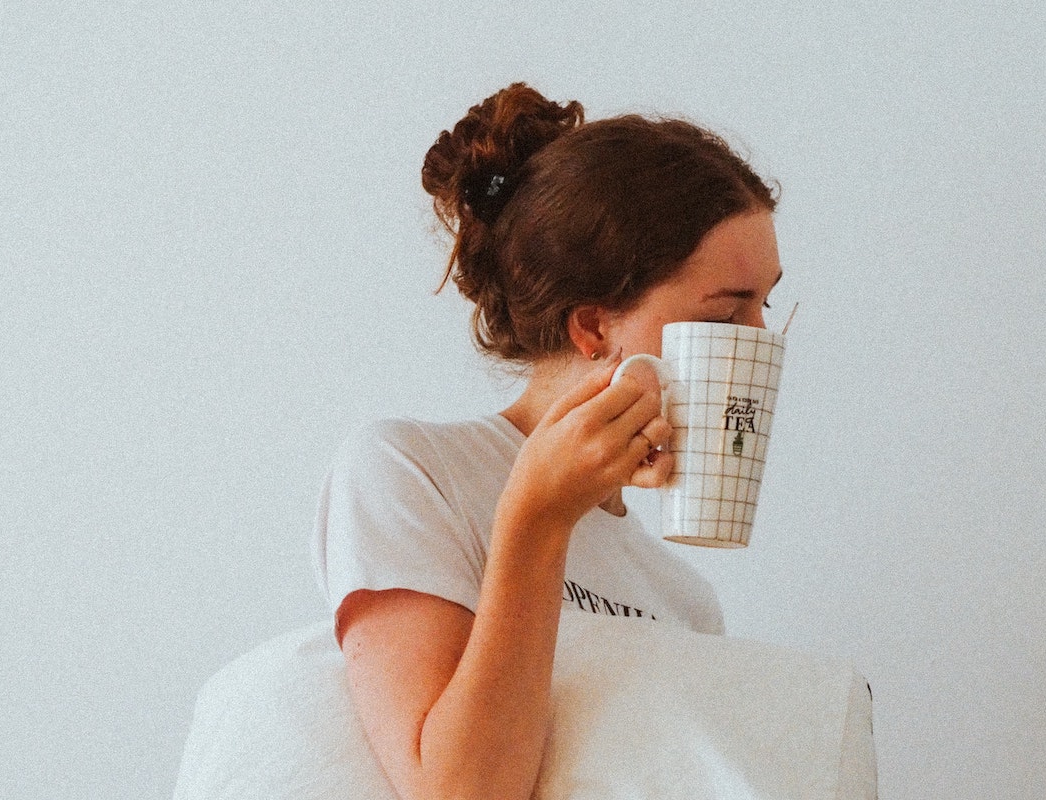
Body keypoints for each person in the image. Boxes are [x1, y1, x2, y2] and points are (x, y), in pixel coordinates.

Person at [314, 82, 782, 800]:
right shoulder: (411, 473)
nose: (760, 346)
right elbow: (459, 792)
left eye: (767, 307)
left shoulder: (685, 599)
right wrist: (537, 517)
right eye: (725, 317)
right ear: (594, 329)